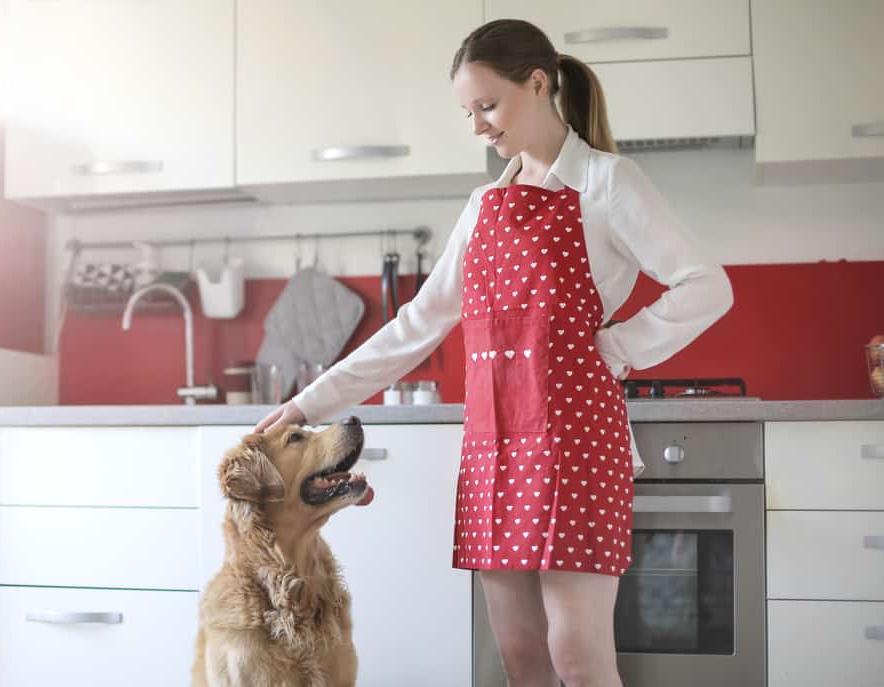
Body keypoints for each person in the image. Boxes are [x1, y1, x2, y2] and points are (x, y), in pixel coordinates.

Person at [254, 18, 733, 687]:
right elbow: (416, 325)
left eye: (488, 105)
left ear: (538, 84)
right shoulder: (483, 206)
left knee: (580, 657)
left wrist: (618, 346)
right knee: (520, 658)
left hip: (575, 442)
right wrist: (303, 406)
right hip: (494, 445)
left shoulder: (606, 184)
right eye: (467, 111)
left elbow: (707, 284)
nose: (477, 124)